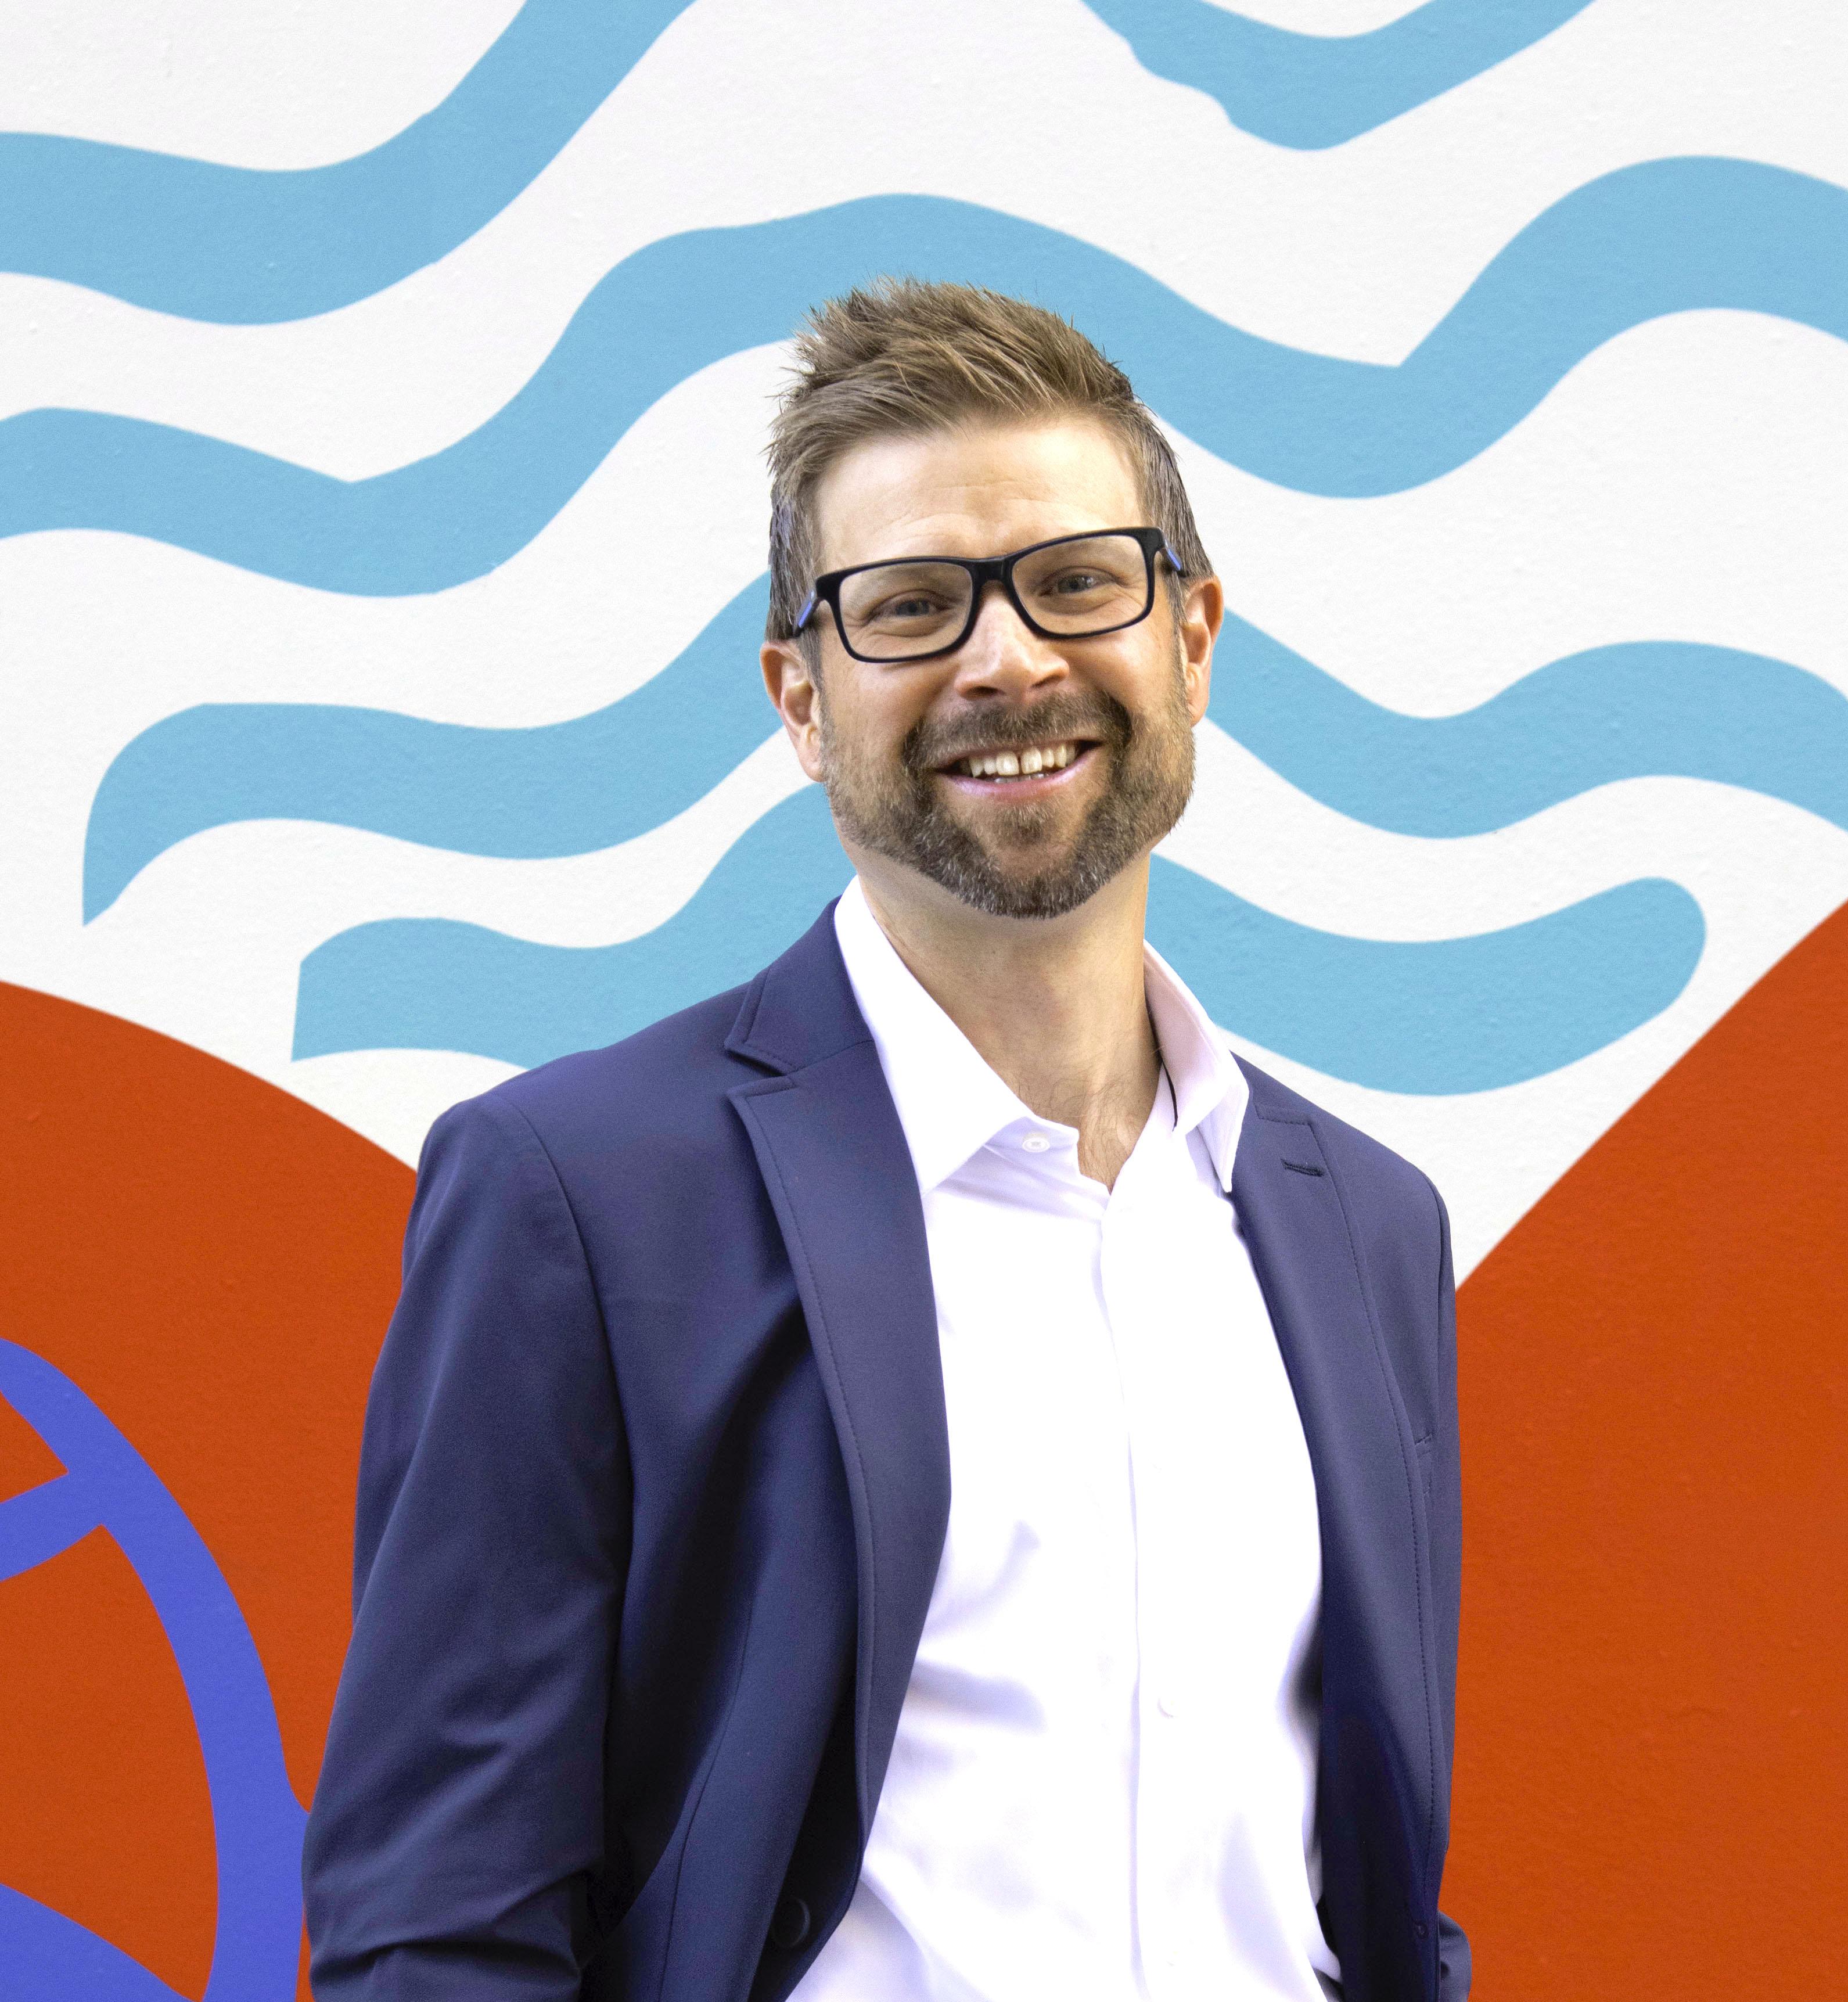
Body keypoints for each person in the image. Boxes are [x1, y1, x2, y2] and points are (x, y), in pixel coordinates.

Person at [303, 281, 1469, 2002]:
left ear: (1194, 640)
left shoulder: (1364, 1227)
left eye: (1079, 581)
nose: (1009, 661)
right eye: (913, 606)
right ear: (799, 698)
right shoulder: (578, 1200)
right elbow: (438, 1925)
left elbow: (1368, 1896)